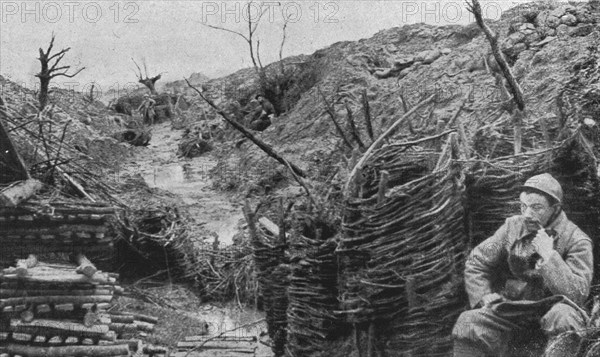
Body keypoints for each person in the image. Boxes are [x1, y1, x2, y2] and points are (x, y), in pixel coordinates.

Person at [452, 173, 593, 357]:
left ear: (555, 208)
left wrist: (549, 256)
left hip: (555, 310)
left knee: (564, 318)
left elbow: (577, 294)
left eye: (536, 208)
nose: (527, 214)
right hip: (515, 309)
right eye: (523, 206)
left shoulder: (577, 240)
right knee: (468, 322)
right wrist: (483, 296)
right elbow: (477, 261)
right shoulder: (512, 228)